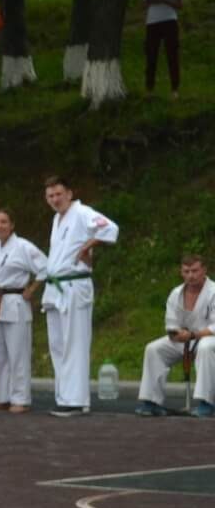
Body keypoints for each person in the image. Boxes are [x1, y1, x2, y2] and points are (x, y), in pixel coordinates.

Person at [41, 175, 119, 417]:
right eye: (50, 196)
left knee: (74, 343)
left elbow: (110, 228)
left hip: (75, 284)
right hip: (56, 286)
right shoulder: (57, 219)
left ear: (69, 193)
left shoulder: (82, 212)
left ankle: (75, 400)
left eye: (58, 194)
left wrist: (88, 245)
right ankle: (64, 396)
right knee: (57, 345)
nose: (55, 199)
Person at [0, 209, 47, 413]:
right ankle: (3, 398)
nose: (0, 226)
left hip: (16, 302)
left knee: (18, 354)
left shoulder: (23, 246)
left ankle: (21, 399)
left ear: (12, 225)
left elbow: (45, 267)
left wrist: (32, 289)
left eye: (4, 222)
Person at [134, 252, 215, 418]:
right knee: (154, 349)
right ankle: (151, 402)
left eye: (195, 270)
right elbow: (171, 324)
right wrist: (176, 335)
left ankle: (207, 403)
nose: (191, 275)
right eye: (186, 271)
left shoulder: (213, 291)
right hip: (185, 339)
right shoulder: (176, 293)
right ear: (181, 272)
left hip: (208, 338)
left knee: (206, 347)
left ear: (204, 270)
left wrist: (193, 335)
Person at [141, 0, 184, 99]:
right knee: (151, 55)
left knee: (172, 54)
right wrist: (151, 1)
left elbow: (180, 5)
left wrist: (165, 0)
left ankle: (174, 88)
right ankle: (149, 88)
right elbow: (143, 3)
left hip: (169, 21)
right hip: (152, 23)